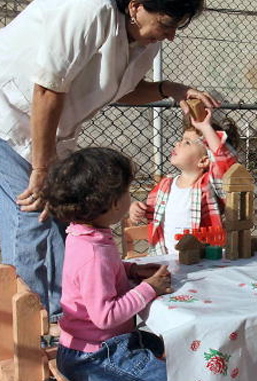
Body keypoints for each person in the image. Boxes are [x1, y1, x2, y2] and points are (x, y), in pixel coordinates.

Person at [0, 0, 216, 317]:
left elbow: (123, 89)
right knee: (33, 214)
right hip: (2, 111)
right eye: (166, 23)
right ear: (137, 7)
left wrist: (172, 89)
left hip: (46, 126)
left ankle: (64, 315)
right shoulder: (89, 7)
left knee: (62, 217)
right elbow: (47, 89)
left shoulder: (142, 43)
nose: (169, 36)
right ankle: (28, 326)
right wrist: (42, 170)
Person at [41, 147, 172, 381]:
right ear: (113, 203)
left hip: (94, 344)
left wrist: (131, 269)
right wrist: (150, 288)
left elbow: (99, 275)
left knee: (172, 345)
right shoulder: (93, 253)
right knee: (174, 375)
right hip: (95, 357)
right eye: (127, 191)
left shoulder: (83, 233)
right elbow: (106, 316)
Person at [129, 109, 238, 255]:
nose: (177, 144)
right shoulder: (165, 184)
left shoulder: (208, 185)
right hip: (164, 255)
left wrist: (206, 128)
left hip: (202, 259)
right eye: (181, 140)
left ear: (204, 160)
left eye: (187, 142)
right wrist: (137, 209)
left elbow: (224, 162)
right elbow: (152, 212)